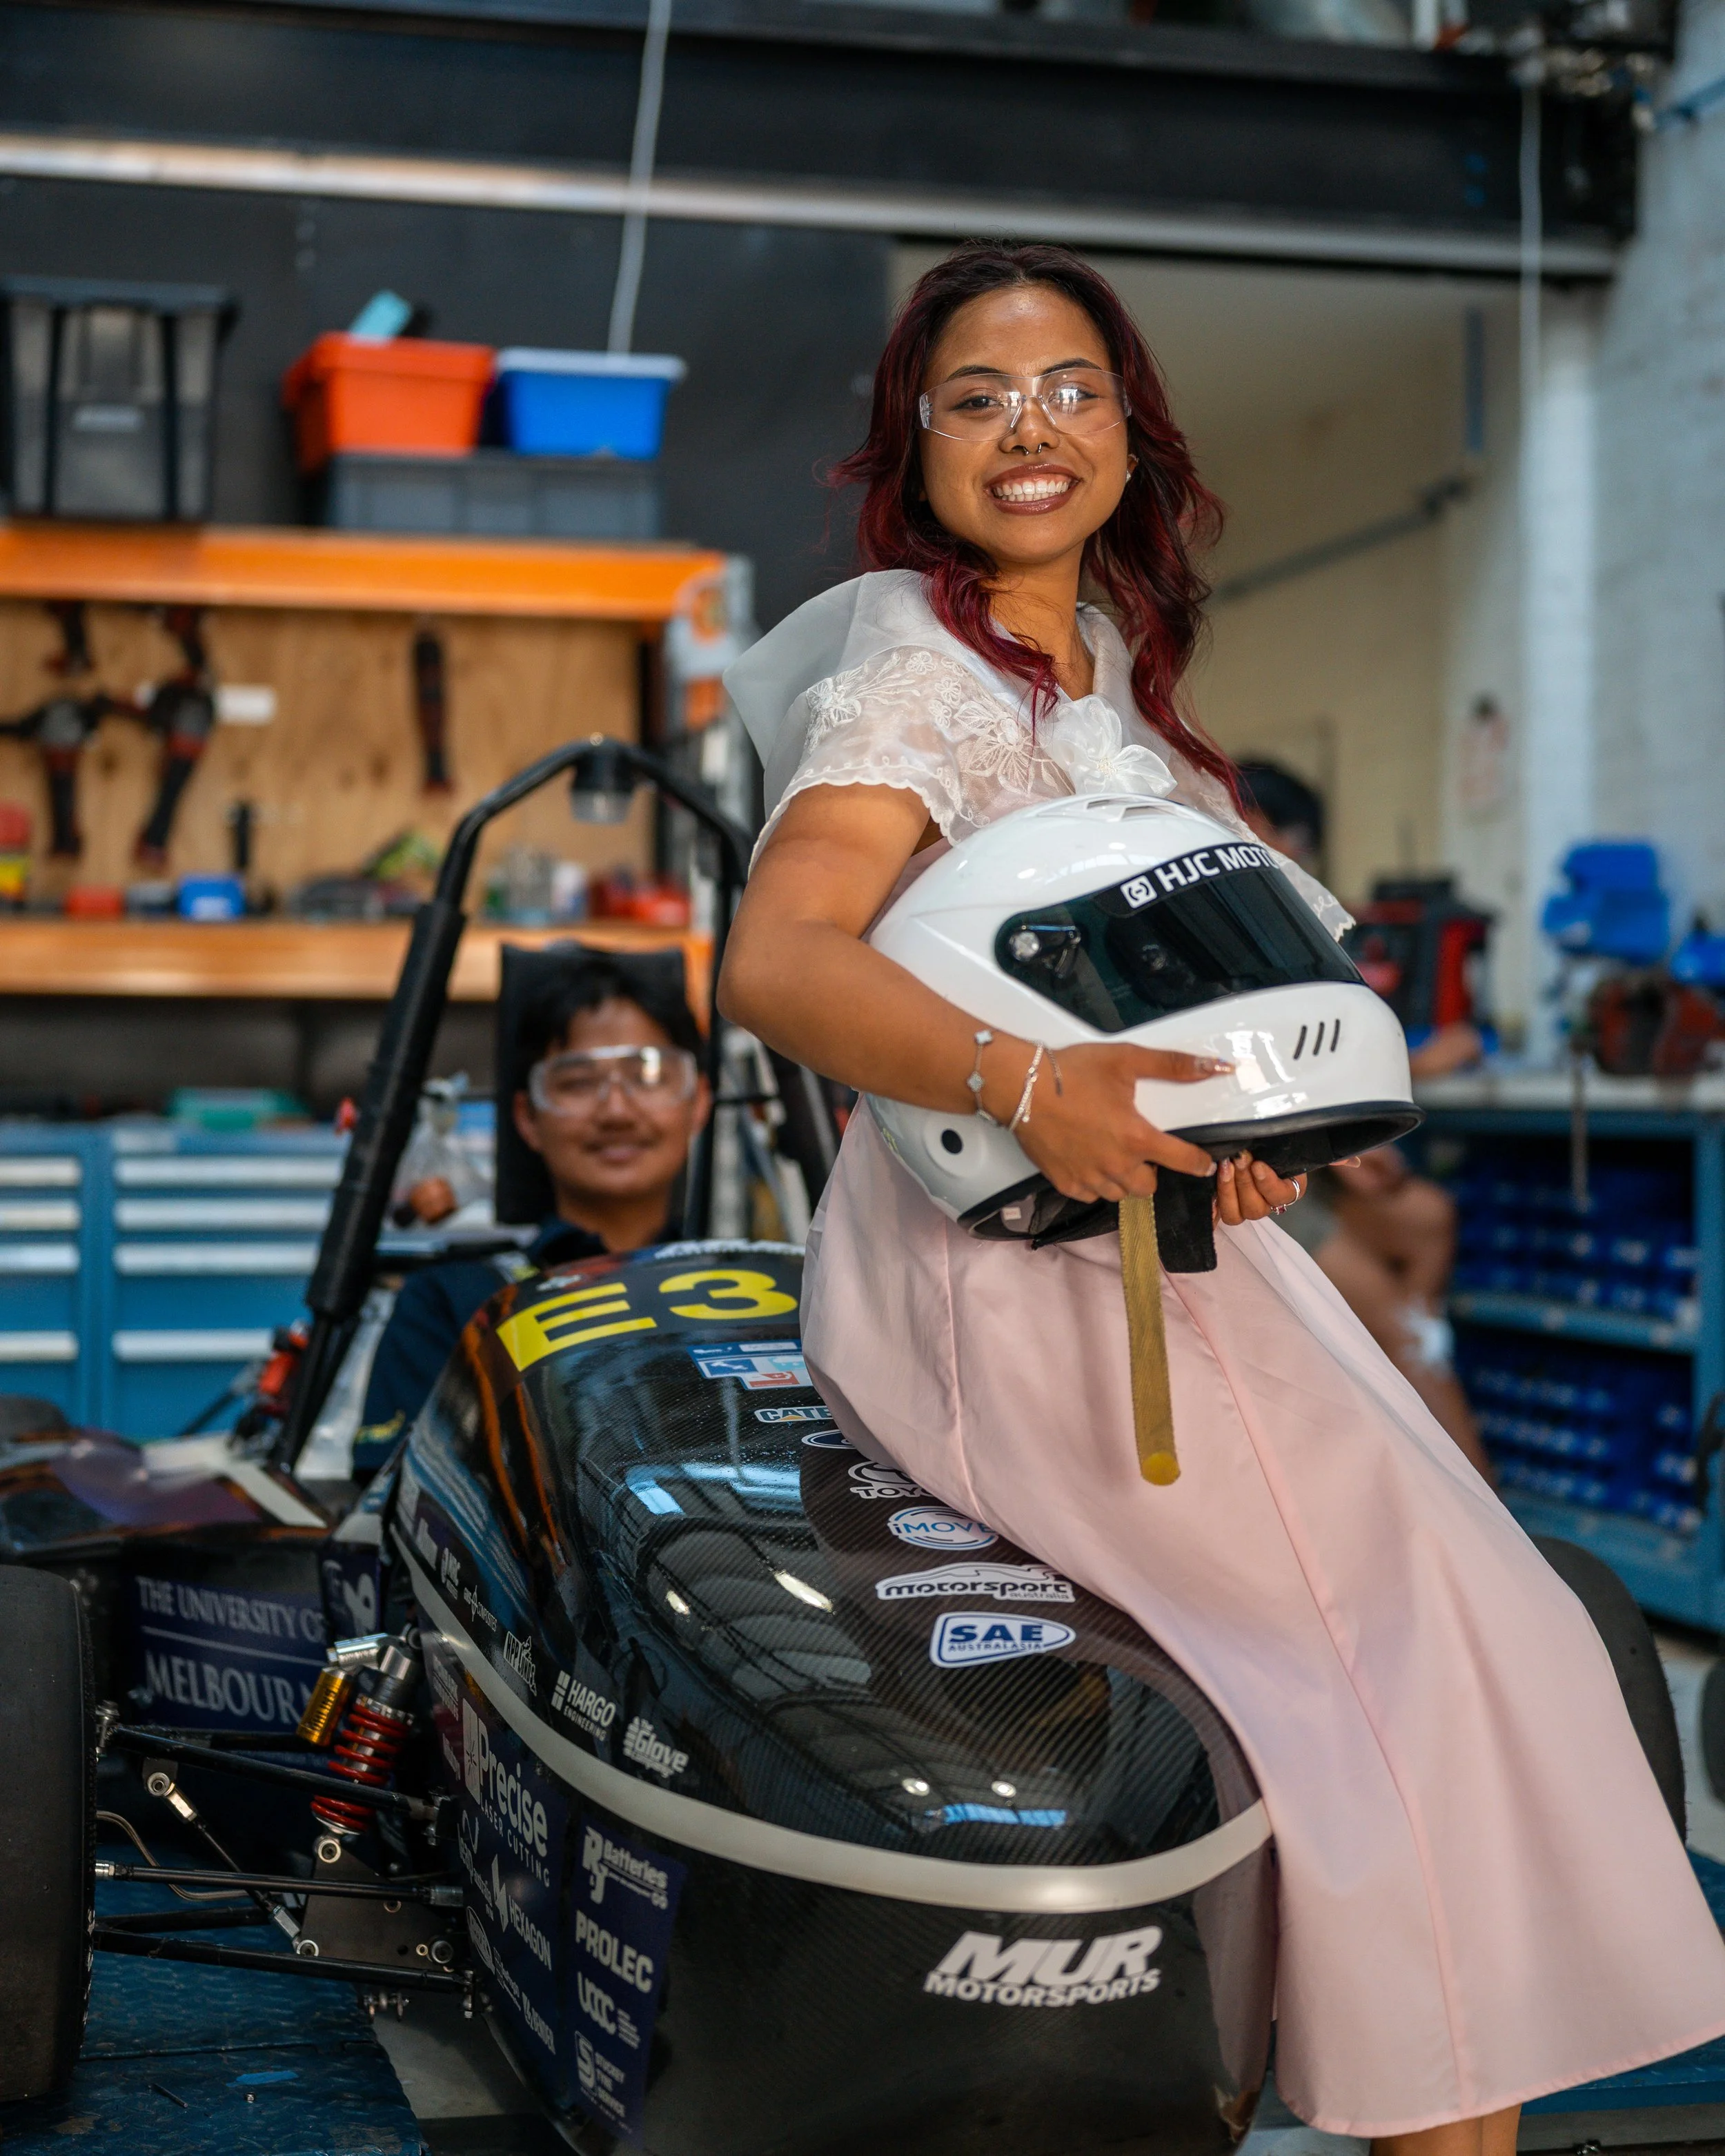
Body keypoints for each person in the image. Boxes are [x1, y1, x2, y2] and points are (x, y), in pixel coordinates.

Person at [718, 243, 1725, 2155]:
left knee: (1454, 1646)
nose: (1031, 424)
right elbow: (777, 962)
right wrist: (1035, 1084)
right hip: (1004, 1276)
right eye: (976, 394)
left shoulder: (1103, 671)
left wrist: (1241, 1128)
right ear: (908, 447)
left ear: (1128, 429)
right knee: (1391, 1683)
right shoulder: (919, 677)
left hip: (1170, 1248)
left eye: (1072, 386)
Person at [1235, 762, 1492, 1477]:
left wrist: (1358, 1139)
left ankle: (1395, 1398)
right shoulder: (1223, 928)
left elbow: (1330, 1050)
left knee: (1427, 1218)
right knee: (1384, 1305)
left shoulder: (1303, 926)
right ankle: (1473, 1496)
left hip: (1313, 1159)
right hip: (1251, 1173)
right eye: (1277, 834)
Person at [357, 956, 709, 1443]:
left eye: (647, 1075)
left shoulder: (764, 1293)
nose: (617, 1110)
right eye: (579, 1081)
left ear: (700, 1100)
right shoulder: (455, 1303)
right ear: (526, 1116)